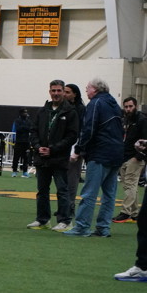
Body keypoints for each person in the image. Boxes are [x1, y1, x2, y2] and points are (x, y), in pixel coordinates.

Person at [64, 78, 122, 237]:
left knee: (89, 192)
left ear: (95, 89)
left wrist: (78, 149)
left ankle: (82, 227)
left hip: (99, 153)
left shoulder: (95, 104)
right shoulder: (115, 105)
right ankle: (103, 228)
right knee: (109, 195)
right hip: (116, 154)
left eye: (88, 88)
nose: (86, 90)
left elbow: (89, 129)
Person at [28, 80, 79, 231]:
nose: (56, 93)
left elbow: (72, 136)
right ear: (49, 92)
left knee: (62, 190)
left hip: (59, 158)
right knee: (42, 191)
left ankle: (65, 221)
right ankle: (42, 220)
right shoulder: (43, 111)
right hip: (42, 157)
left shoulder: (70, 112)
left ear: (63, 92)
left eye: (59, 90)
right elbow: (33, 131)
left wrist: (53, 149)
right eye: (53, 90)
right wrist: (38, 147)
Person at [113, 97, 147, 223]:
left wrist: (139, 156)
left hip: (135, 157)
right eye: (126, 106)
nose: (128, 109)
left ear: (136, 106)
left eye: (130, 106)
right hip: (124, 156)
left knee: (130, 185)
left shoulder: (142, 120)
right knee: (130, 186)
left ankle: (125, 212)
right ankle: (135, 213)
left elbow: (145, 139)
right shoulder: (124, 119)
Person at [63, 83, 86, 215]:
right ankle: (63, 204)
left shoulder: (80, 109)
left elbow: (82, 129)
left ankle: (70, 205)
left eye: (68, 92)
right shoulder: (63, 107)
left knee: (72, 177)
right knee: (62, 177)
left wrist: (77, 149)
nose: (64, 94)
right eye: (64, 92)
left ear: (75, 94)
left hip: (75, 146)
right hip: (63, 145)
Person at [10, 108, 32, 178]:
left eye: (26, 113)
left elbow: (30, 129)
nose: (26, 114)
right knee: (16, 157)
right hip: (18, 141)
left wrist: (24, 128)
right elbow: (18, 129)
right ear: (21, 114)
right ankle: (14, 171)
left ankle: (25, 172)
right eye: (24, 113)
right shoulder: (17, 121)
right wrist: (25, 128)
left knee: (26, 157)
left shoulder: (29, 121)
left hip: (26, 141)